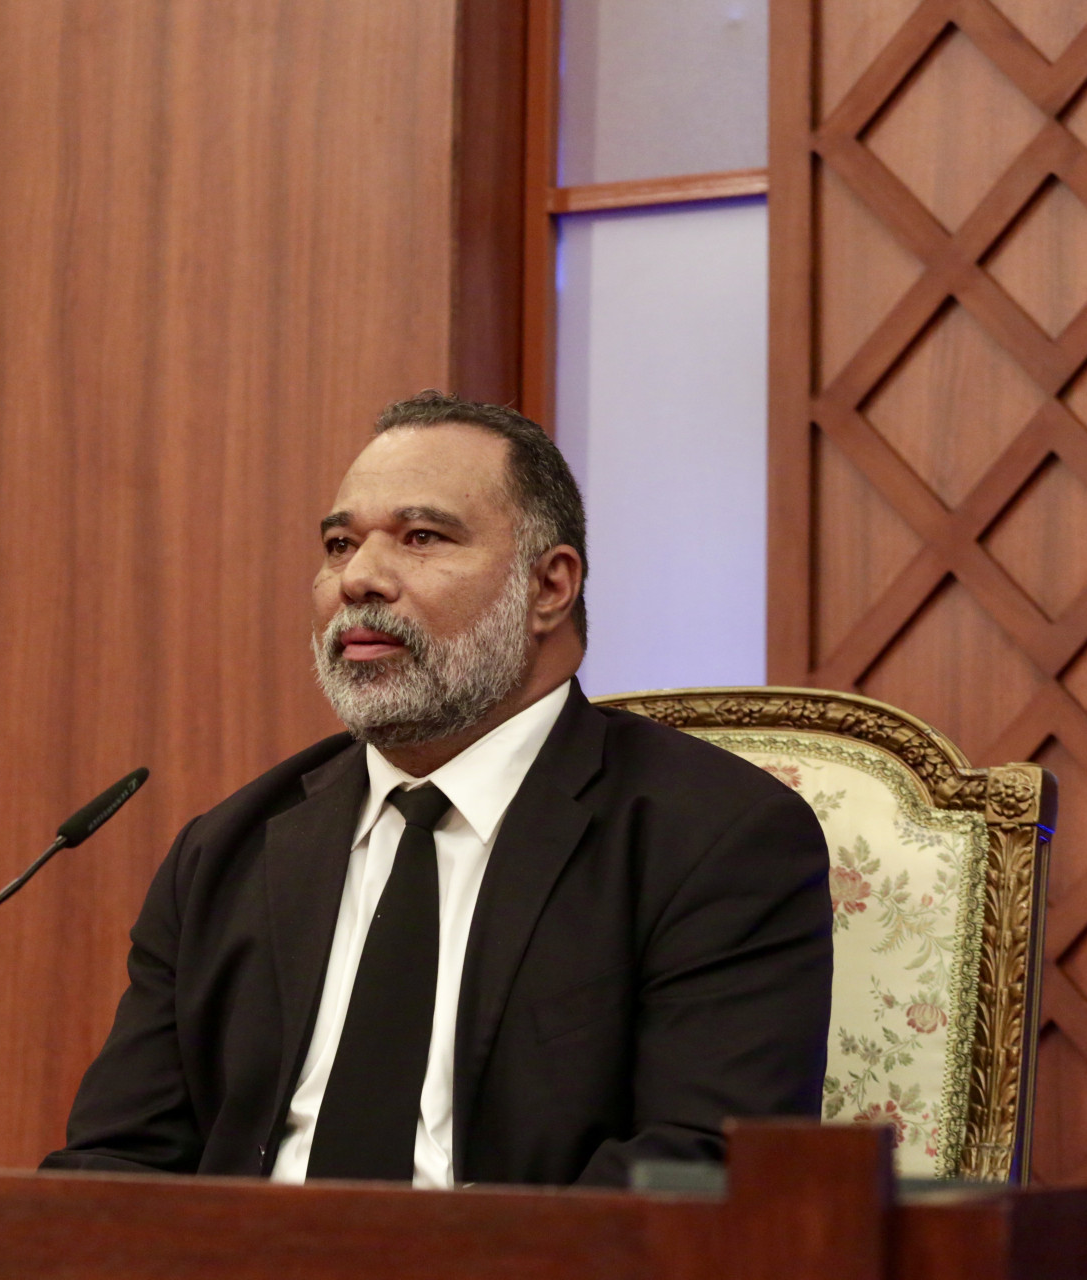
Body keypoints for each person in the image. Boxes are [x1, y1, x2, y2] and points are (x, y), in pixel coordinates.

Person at [41, 391, 831, 1187]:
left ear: (549, 587)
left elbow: (698, 1172)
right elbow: (114, 1162)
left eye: (421, 537)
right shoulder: (225, 853)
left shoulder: (712, 838)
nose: (359, 579)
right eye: (340, 544)